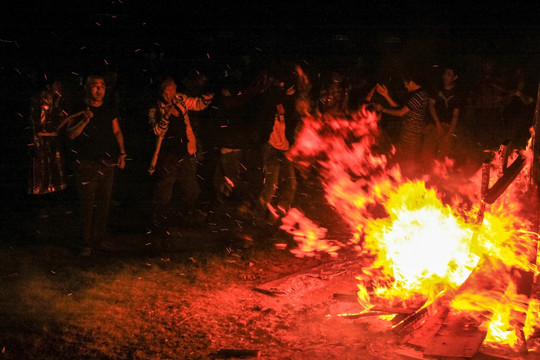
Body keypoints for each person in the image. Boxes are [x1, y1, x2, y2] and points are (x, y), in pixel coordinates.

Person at [66, 75, 127, 256]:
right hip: (86, 165)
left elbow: (116, 131)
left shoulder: (109, 109)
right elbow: (70, 134)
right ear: (86, 88)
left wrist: (122, 152)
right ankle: (85, 243)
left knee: (104, 204)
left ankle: (99, 240)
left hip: (107, 163)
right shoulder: (77, 109)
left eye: (102, 86)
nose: (99, 89)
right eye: (95, 86)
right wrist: (84, 121)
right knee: (87, 205)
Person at [147, 77, 214, 233]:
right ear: (162, 91)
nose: (171, 92)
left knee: (191, 189)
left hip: (186, 152)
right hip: (167, 156)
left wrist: (207, 97)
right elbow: (156, 131)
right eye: (167, 89)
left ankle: (192, 220)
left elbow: (197, 104)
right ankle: (155, 223)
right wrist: (166, 116)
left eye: (173, 88)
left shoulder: (180, 99)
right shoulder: (155, 109)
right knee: (164, 192)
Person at [256, 64, 302, 225]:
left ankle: (278, 214)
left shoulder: (290, 109)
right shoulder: (270, 103)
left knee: (291, 184)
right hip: (271, 148)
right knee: (271, 184)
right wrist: (282, 95)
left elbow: (293, 119)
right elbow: (270, 101)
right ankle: (258, 216)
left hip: (285, 149)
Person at [373, 69, 429, 177]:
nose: (405, 86)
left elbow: (400, 113)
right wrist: (386, 95)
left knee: (407, 168)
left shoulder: (419, 96)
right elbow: (399, 107)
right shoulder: (416, 94)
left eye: (405, 83)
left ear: (411, 83)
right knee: (398, 164)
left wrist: (383, 109)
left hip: (412, 139)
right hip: (406, 137)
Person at [424, 64, 463, 160]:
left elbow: (455, 115)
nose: (445, 76)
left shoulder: (457, 94)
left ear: (455, 77)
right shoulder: (436, 89)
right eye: (445, 74)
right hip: (434, 125)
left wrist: (449, 134)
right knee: (427, 153)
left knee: (444, 156)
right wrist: (437, 124)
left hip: (448, 127)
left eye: (449, 74)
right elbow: (431, 106)